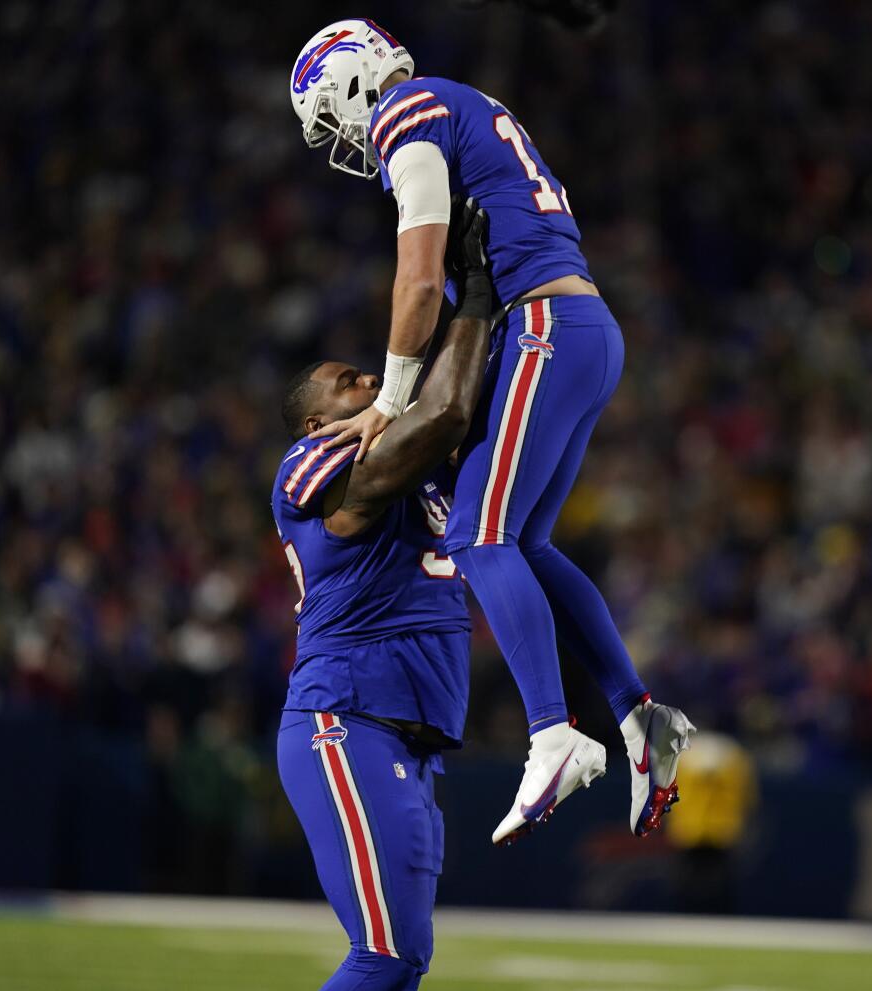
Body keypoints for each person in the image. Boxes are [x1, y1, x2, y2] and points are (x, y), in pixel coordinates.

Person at [288, 17, 695, 846]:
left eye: (332, 116)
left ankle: (553, 731)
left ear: (355, 81)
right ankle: (637, 715)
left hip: (542, 325)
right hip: (578, 328)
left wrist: (389, 396)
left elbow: (420, 272)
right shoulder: (462, 104)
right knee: (528, 545)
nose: (344, 139)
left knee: (478, 536)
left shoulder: (411, 110)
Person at [273, 201, 492, 991]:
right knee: (386, 955)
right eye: (347, 384)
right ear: (311, 423)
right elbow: (441, 414)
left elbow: (459, 408)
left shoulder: (412, 468)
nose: (369, 383)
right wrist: (475, 295)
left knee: (405, 964)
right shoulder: (305, 471)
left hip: (407, 735)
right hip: (347, 718)